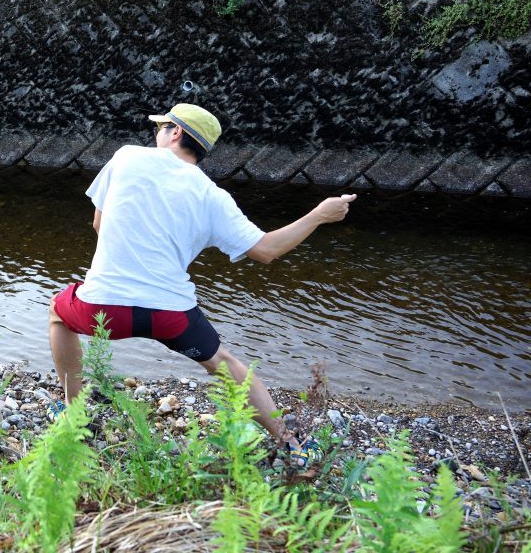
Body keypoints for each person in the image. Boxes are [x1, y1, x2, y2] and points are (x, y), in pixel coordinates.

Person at [47, 102, 355, 456]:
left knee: (58, 314)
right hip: (171, 316)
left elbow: (99, 225)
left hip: (103, 308)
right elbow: (267, 250)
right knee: (225, 363)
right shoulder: (213, 196)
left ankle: (74, 413)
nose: (156, 133)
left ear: (175, 132)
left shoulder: (126, 157)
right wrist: (318, 215)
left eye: (161, 127)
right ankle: (293, 444)